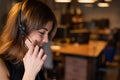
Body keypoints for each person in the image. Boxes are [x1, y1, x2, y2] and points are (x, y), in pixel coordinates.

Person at [0, 0, 57, 80]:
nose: (46, 40)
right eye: (42, 33)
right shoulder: (1, 65)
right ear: (22, 30)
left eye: (49, 33)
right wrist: (30, 73)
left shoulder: (33, 57)